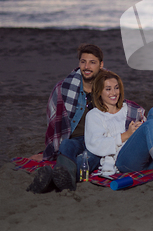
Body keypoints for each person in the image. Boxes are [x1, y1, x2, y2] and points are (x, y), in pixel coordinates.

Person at [27, 44, 131, 193]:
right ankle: (63, 180)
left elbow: (121, 108)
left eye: (92, 62)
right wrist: (48, 151)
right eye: (83, 62)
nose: (87, 66)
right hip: (75, 139)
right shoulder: (65, 88)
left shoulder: (108, 87)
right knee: (66, 145)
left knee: (86, 159)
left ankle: (51, 181)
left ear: (101, 65)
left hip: (97, 140)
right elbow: (54, 122)